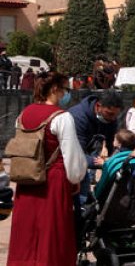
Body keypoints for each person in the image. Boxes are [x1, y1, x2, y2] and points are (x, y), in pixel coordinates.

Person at [7, 71, 88, 266]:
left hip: (27, 178)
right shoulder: (62, 117)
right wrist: (76, 178)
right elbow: (72, 155)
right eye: (64, 89)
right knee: (53, 232)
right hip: (54, 180)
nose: (65, 94)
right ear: (54, 89)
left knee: (26, 232)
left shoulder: (23, 114)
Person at [68, 88, 124, 199]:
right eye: (110, 114)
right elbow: (77, 155)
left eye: (115, 115)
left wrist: (114, 158)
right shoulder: (78, 117)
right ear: (98, 106)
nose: (113, 119)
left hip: (84, 157)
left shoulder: (110, 119)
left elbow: (111, 143)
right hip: (69, 162)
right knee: (80, 196)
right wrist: (103, 163)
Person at [94, 128, 135, 201]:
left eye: (114, 139)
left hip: (113, 201)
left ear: (119, 144)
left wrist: (95, 196)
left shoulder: (114, 162)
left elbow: (102, 185)